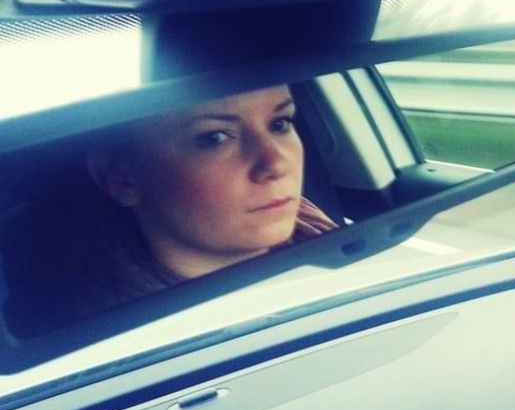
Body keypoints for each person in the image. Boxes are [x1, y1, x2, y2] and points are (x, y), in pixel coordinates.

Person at [2, 83, 337, 333]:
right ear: (122, 179)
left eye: (280, 123)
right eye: (215, 137)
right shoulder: (114, 339)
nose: (276, 162)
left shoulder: (310, 224)